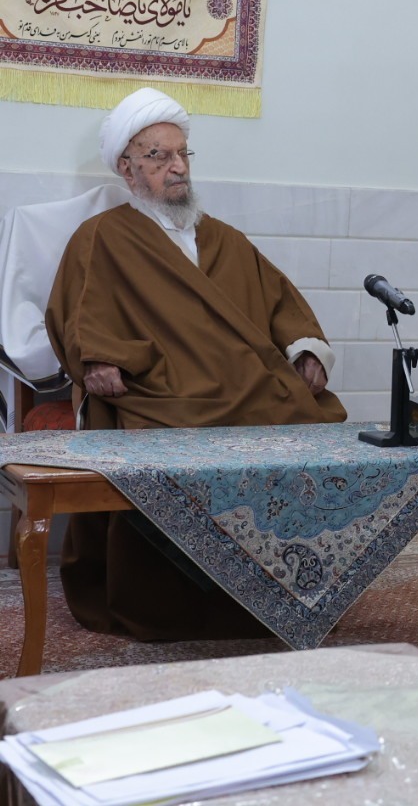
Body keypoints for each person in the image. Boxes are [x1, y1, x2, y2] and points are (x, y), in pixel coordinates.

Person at [44, 86, 346, 639]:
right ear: (128, 170)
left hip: (247, 393)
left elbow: (282, 303)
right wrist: (96, 360)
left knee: (309, 426)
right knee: (155, 454)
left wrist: (306, 349)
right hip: (158, 398)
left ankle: (281, 595)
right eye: (158, 156)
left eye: (181, 154)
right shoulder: (102, 238)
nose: (176, 167)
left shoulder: (224, 240)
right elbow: (77, 314)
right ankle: (170, 606)